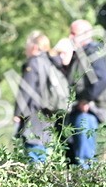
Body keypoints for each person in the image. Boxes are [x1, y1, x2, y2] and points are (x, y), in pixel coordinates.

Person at [13, 31, 72, 164]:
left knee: (32, 153)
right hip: (50, 114)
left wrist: (17, 114)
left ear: (34, 47)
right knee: (43, 152)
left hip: (34, 115)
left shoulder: (34, 63)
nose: (25, 50)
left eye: (27, 46)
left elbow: (25, 91)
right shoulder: (53, 62)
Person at [63, 19, 106, 167]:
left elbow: (103, 78)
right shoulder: (79, 53)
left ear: (85, 34)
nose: (70, 37)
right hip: (77, 111)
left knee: (85, 159)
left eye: (74, 33)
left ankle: (87, 182)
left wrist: (86, 100)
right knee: (73, 159)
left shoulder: (93, 51)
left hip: (87, 112)